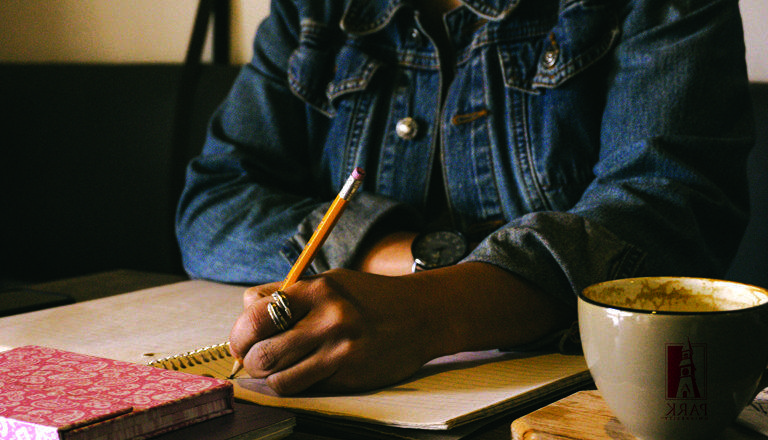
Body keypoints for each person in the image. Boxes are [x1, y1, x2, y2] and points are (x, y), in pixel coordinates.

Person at [176, 0, 754, 395]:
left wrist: (432, 312)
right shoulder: (314, 12)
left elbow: (670, 214)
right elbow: (212, 206)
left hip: (594, 418)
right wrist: (413, 257)